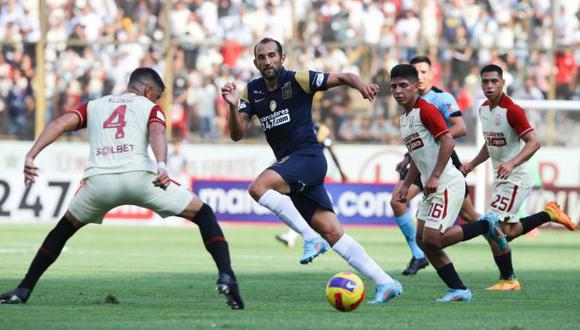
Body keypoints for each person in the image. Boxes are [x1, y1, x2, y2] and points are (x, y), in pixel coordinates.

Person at [0, 68, 244, 309]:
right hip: (140, 179)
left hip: (98, 184)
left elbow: (60, 123)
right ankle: (226, 275)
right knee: (203, 214)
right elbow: (158, 132)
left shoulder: (94, 105)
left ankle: (23, 289)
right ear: (148, 90)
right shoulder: (150, 107)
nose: (156, 100)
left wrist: (31, 155)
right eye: (156, 95)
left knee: (61, 231)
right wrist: (161, 164)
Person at [221, 37, 401, 304]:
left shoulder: (298, 80)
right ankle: (386, 282)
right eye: (262, 57)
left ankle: (307, 237)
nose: (267, 61)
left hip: (308, 157)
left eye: (272, 55)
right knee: (332, 232)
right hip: (293, 165)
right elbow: (237, 134)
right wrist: (233, 106)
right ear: (255, 61)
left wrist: (361, 85)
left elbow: (343, 76)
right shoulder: (251, 91)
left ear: (282, 58)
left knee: (258, 187)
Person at [391, 64, 507, 302]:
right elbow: (416, 155)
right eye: (394, 86)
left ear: (416, 86)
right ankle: (459, 290)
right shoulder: (404, 118)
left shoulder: (427, 110)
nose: (398, 91)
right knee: (424, 242)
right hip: (431, 184)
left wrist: (433, 176)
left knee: (433, 239)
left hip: (446, 182)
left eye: (403, 85)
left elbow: (448, 142)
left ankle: (485, 225)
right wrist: (406, 184)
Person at [461, 64, 575, 291]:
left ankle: (509, 279)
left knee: (492, 226)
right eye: (485, 82)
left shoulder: (512, 110)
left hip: (517, 178)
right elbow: (490, 143)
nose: (489, 86)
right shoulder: (484, 109)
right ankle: (549, 213)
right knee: (506, 233)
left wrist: (512, 163)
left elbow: (534, 142)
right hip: (502, 177)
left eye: (494, 81)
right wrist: (472, 164)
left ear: (503, 83)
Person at [390, 56, 479, 276]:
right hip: (421, 164)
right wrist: (408, 157)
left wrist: (437, 135)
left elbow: (457, 130)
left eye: (423, 72)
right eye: (416, 72)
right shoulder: (406, 112)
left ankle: (490, 229)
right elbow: (417, 142)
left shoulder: (439, 99)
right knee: (398, 202)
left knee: (469, 216)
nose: (419, 76)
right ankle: (418, 254)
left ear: (430, 74)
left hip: (442, 162)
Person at [275, 123, 348, 248]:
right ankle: (293, 237)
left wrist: (341, 171)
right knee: (303, 205)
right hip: (305, 169)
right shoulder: (310, 127)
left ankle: (310, 236)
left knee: (304, 205)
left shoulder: (318, 129)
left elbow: (330, 149)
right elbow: (330, 149)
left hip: (309, 170)